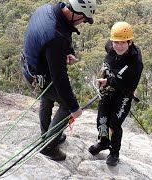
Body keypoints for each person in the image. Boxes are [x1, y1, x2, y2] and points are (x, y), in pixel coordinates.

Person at [21, 0, 97, 161]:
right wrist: (74, 108)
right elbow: (59, 78)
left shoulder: (49, 9)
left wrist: (67, 52)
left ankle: (47, 134)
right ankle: (49, 146)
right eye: (84, 19)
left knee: (47, 98)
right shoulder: (56, 36)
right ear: (76, 12)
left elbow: (58, 35)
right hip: (37, 76)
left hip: (31, 66)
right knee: (65, 104)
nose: (83, 22)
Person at [88, 21, 143, 166]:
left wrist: (109, 82)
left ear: (130, 42)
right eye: (116, 42)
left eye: (123, 43)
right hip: (108, 91)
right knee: (102, 120)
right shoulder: (110, 47)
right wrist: (105, 80)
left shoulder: (135, 62)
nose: (118, 46)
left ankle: (114, 153)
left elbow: (130, 85)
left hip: (123, 94)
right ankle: (103, 142)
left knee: (114, 123)